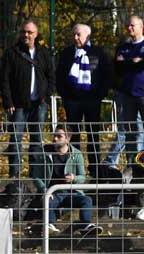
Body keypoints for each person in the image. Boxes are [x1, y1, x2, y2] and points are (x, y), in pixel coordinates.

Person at [0, 19, 56, 179]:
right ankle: (14, 175)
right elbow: (4, 79)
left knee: (36, 139)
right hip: (18, 105)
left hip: (39, 104)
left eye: (30, 32)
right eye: (24, 32)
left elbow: (51, 76)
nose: (26, 35)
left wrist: (46, 97)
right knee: (15, 139)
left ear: (36, 34)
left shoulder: (43, 53)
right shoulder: (11, 53)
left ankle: (35, 175)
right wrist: (8, 101)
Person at [56, 24, 112, 176]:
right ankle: (74, 169)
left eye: (78, 34)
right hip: (72, 100)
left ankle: (94, 169)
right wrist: (65, 95)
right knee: (73, 135)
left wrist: (100, 95)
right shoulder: (67, 53)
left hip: (92, 100)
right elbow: (59, 75)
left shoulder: (98, 52)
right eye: (73, 34)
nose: (75, 38)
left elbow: (106, 75)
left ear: (88, 36)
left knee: (93, 135)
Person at [29, 126, 100, 239]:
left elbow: (83, 177)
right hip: (53, 193)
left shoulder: (76, 154)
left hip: (72, 193)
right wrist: (45, 190)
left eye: (59, 136)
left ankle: (86, 225)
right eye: (54, 136)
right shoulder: (44, 154)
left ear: (68, 139)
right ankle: (50, 225)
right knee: (46, 201)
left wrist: (74, 178)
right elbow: (36, 176)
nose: (55, 139)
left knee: (87, 200)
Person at [113, 16, 144, 169]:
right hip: (127, 95)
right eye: (127, 25)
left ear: (141, 26)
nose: (129, 28)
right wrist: (133, 62)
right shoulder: (123, 47)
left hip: (143, 94)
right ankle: (133, 166)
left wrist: (127, 62)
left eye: (132, 25)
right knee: (130, 132)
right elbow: (118, 67)